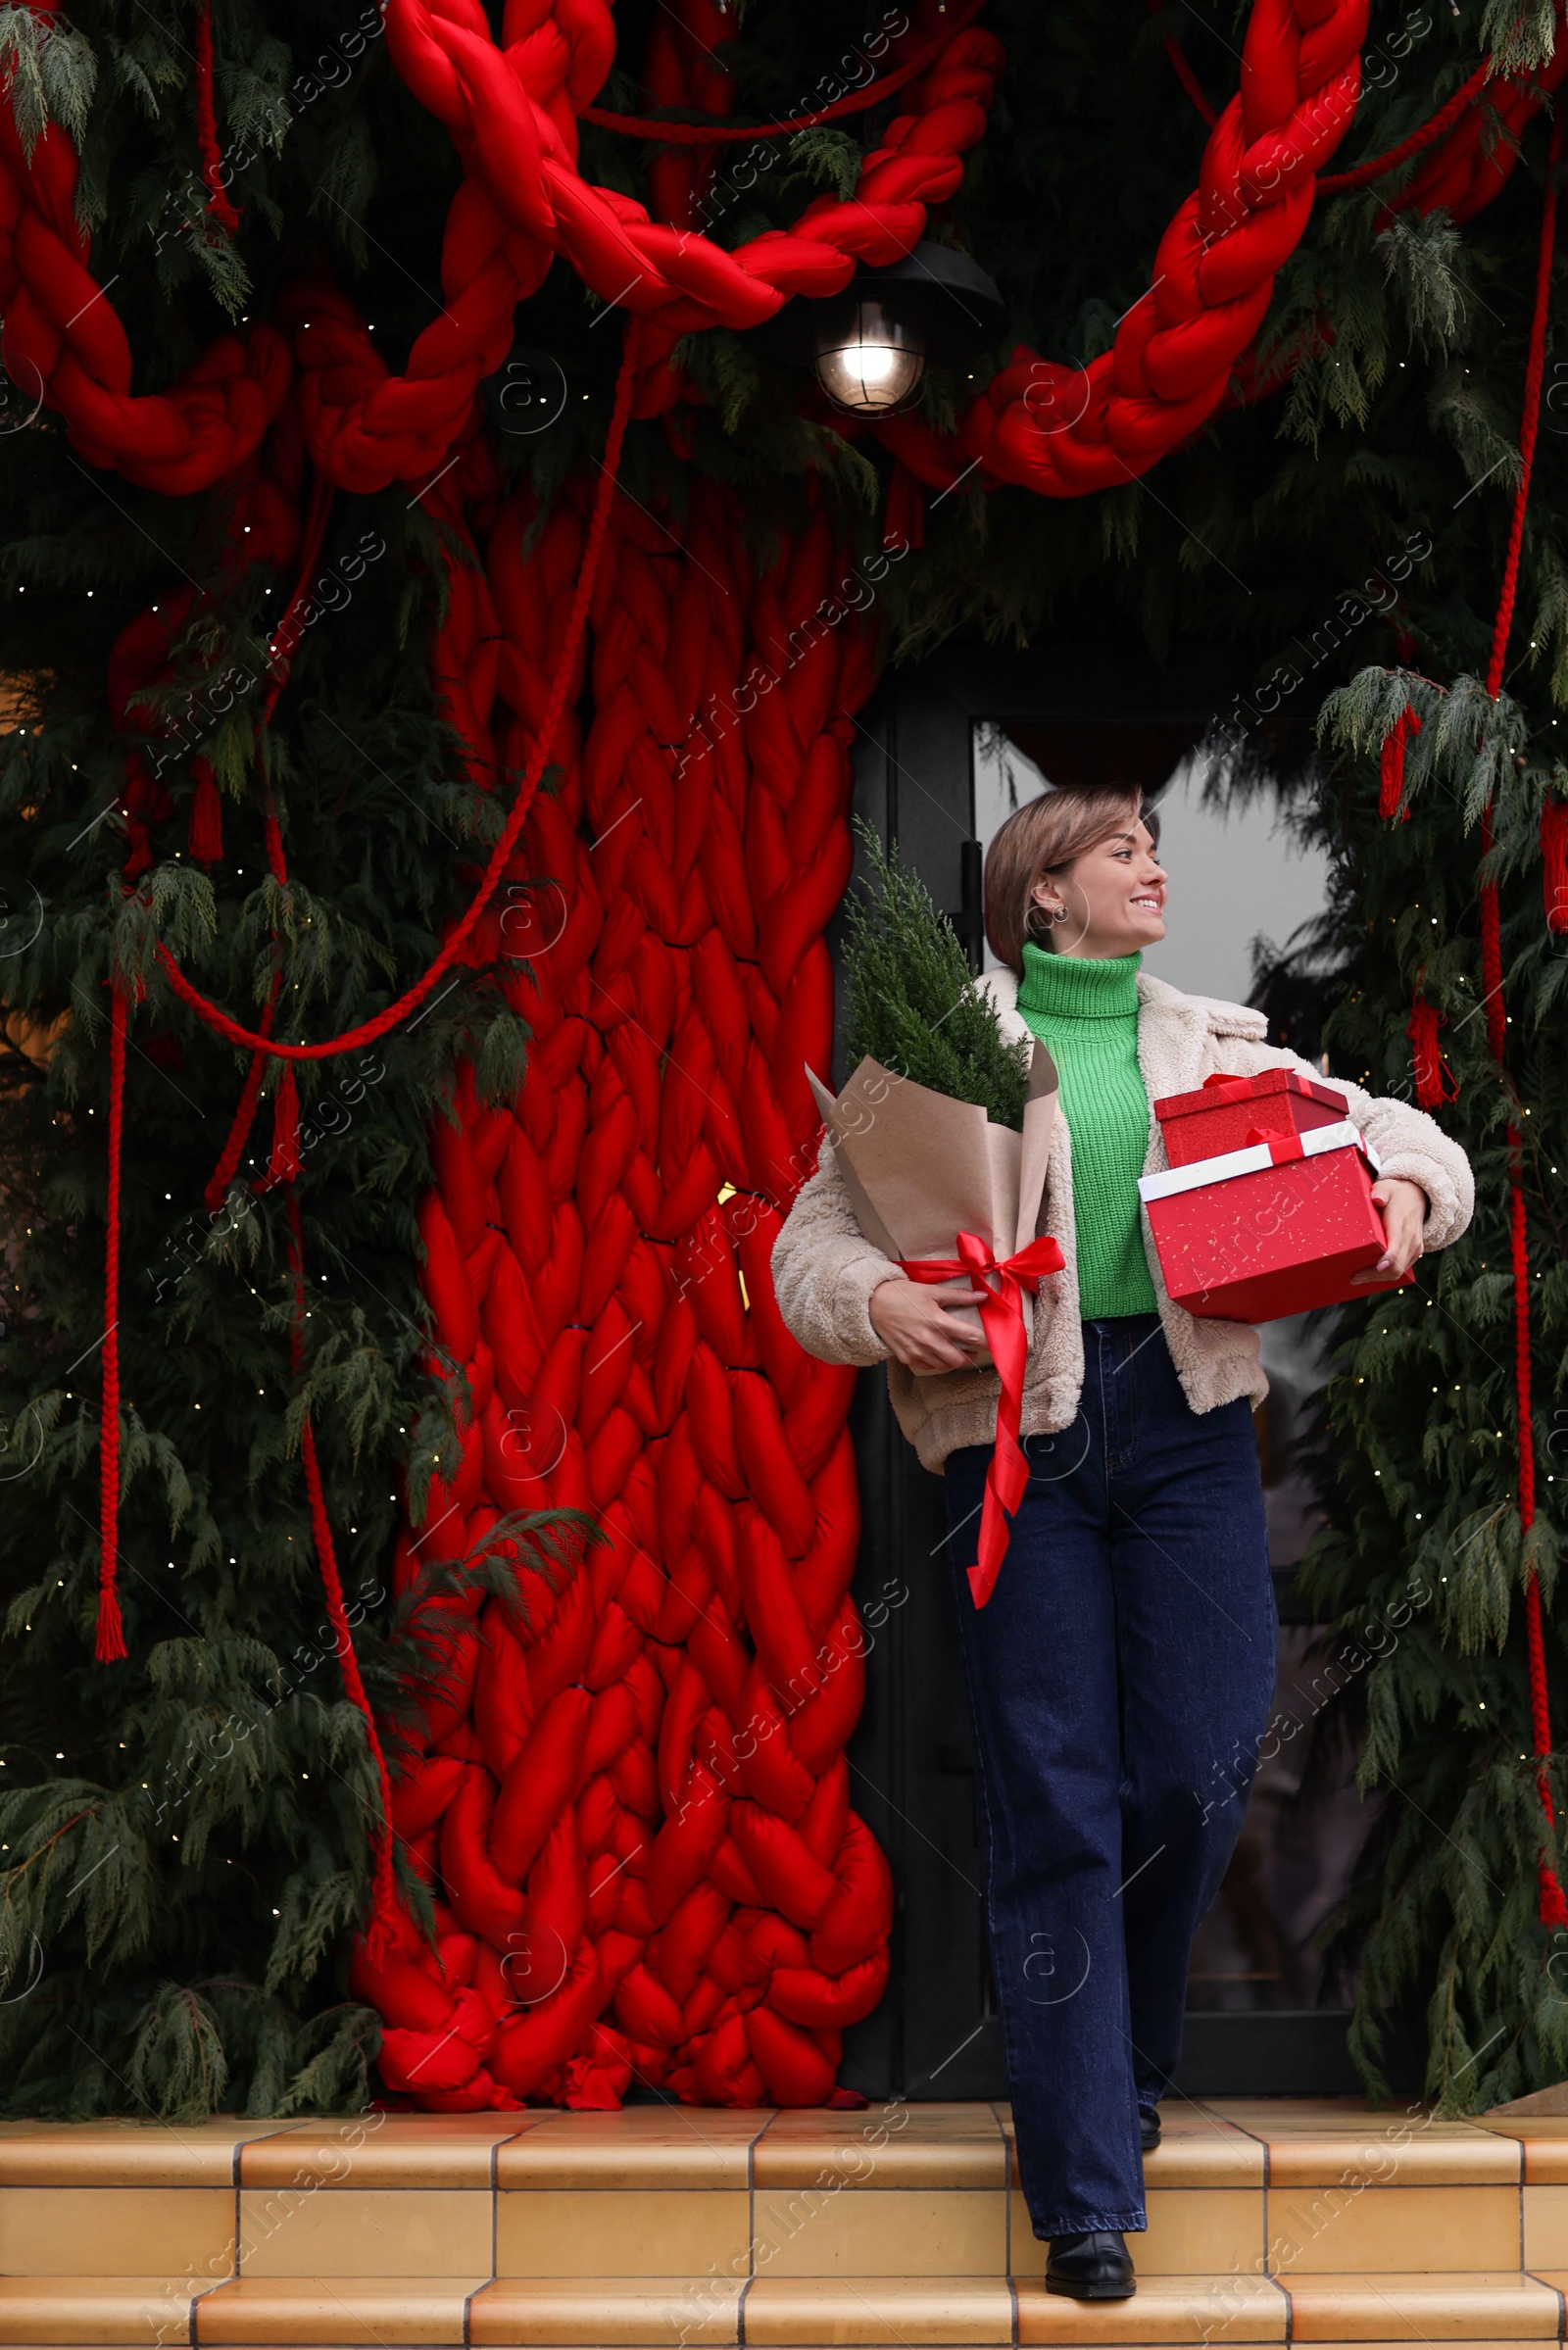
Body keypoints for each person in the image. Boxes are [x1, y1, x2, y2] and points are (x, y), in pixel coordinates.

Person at [769, 784, 1472, 2300]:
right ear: (1042, 896)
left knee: (1201, 1760)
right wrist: (884, 1304)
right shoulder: (945, 1042)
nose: (1157, 863)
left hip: (1190, 1425)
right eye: (1122, 848)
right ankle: (1084, 2187)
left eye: (1156, 844)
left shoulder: (1212, 1041)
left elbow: (1410, 1133)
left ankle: (1130, 2049)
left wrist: (1409, 1188)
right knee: (1057, 1803)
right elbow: (803, 1245)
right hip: (1012, 1429)